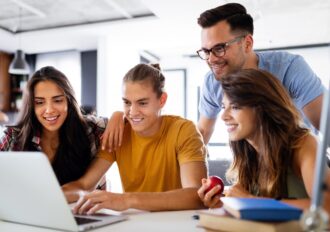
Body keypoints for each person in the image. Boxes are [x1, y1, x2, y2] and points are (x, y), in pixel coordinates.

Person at [63, 63, 207, 213]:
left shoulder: (184, 131)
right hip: (135, 223)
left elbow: (195, 195)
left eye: (142, 103)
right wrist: (46, 198)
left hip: (177, 223)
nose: (133, 112)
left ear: (162, 100)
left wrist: (126, 199)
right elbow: (84, 185)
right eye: (127, 102)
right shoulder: (119, 134)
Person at [197, 69, 330, 214]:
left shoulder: (304, 144)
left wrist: (252, 202)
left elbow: (326, 208)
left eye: (235, 107)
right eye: (224, 107)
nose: (223, 116)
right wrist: (223, 204)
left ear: (263, 109)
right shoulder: (247, 152)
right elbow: (253, 207)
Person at [195, 3, 324, 145]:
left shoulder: (289, 68)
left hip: (299, 158)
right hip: (252, 162)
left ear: (247, 44)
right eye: (206, 52)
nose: (211, 59)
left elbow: (327, 125)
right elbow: (203, 132)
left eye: (219, 48)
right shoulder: (212, 83)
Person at [0, 66, 107, 186]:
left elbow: (128, 120)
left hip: (87, 205)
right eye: (40, 102)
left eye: (57, 100)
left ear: (69, 101)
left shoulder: (91, 129)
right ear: (30, 106)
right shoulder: (13, 137)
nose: (49, 110)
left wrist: (118, 116)